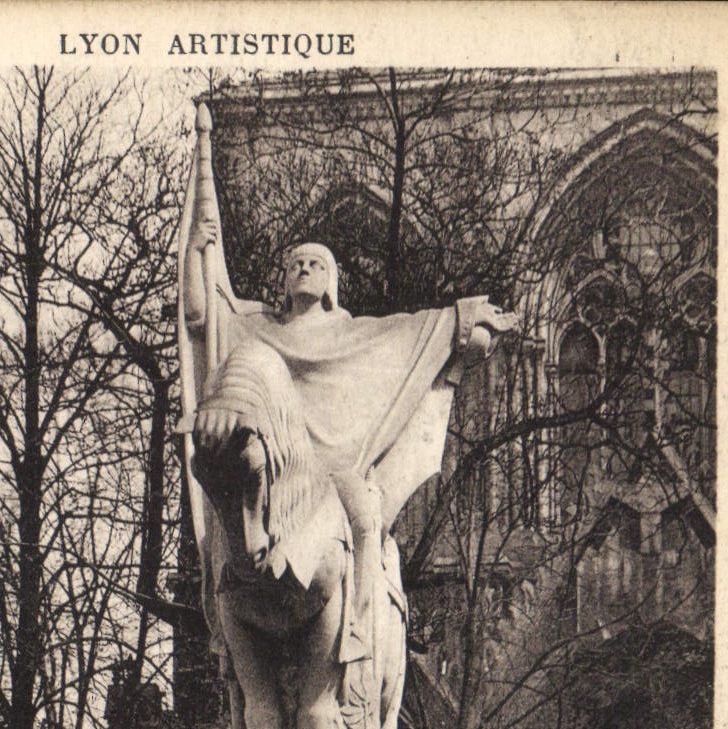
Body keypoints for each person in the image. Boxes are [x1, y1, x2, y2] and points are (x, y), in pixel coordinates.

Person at [182, 227, 517, 662]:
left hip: (332, 471)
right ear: (285, 282)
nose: (304, 269)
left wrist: (464, 318)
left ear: (330, 284)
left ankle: (357, 627)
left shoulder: (354, 335)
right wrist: (194, 252)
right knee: (226, 535)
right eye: (295, 265)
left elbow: (411, 332)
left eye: (315, 264)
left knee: (363, 514)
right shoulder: (257, 329)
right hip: (275, 464)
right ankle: (223, 632)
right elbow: (200, 316)